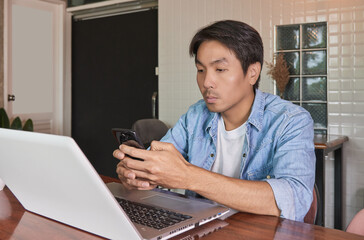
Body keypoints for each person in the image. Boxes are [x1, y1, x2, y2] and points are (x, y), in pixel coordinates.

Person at [113, 20, 315, 222]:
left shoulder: (291, 120)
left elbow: (295, 199)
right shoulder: (196, 115)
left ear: (252, 72)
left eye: (219, 70)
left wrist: (190, 177)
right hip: (202, 229)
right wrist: (136, 172)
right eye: (201, 70)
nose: (206, 82)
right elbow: (156, 163)